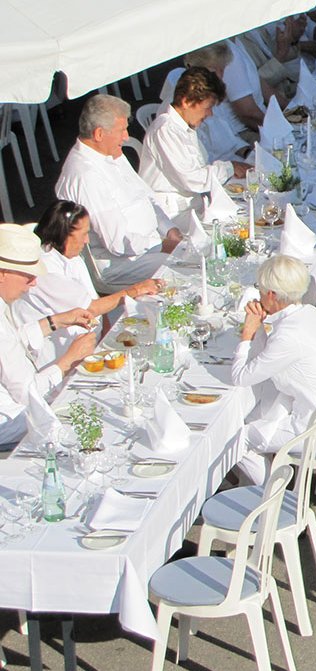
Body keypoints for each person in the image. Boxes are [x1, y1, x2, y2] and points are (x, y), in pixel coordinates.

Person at [232, 255, 316, 485]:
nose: (258, 294)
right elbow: (264, 357)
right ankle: (251, 486)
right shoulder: (308, 313)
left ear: (271, 294)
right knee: (255, 415)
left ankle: (272, 499)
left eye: (260, 289)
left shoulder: (288, 336)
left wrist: (247, 334)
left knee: (234, 441)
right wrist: (258, 327)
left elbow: (240, 377)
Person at [55, 94, 183, 286]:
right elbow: (117, 242)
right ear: (99, 134)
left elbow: (146, 196)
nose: (126, 137)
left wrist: (169, 230)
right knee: (187, 268)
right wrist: (163, 246)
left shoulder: (111, 154)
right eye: (122, 130)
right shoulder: (86, 175)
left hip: (150, 247)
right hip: (122, 263)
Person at [15, 201, 161, 363]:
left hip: (91, 339)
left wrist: (105, 337)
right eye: (83, 234)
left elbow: (95, 299)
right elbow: (90, 308)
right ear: (64, 234)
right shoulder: (47, 269)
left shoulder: (72, 257)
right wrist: (136, 290)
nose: (86, 241)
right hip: (63, 352)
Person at [0, 224, 98, 445]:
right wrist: (68, 360)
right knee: (90, 420)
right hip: (11, 421)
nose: (33, 283)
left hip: (15, 407)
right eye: (28, 276)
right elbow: (28, 395)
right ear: (2, 274)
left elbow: (11, 344)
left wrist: (56, 321)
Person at [140, 67, 249, 218]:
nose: (210, 114)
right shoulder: (166, 130)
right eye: (207, 107)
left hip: (191, 207)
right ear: (186, 102)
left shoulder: (185, 127)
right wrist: (230, 168)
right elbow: (192, 179)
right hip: (172, 215)